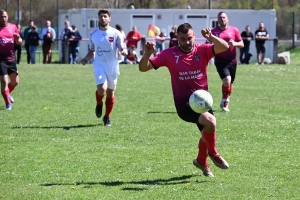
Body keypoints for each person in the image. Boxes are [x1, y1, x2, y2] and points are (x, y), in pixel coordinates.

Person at [138, 23, 230, 177]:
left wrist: (211, 37)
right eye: (182, 39)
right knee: (211, 122)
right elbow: (143, 68)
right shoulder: (169, 54)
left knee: (207, 132)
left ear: (194, 36)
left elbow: (224, 47)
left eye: (189, 38)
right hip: (184, 104)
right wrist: (147, 54)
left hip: (203, 102)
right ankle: (213, 154)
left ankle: (201, 162)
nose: (186, 42)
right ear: (177, 38)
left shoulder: (203, 50)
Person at [80, 9, 127, 126]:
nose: (103, 18)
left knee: (110, 92)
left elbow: (121, 46)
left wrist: (124, 50)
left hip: (112, 66)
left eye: (105, 16)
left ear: (109, 19)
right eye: (101, 16)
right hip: (99, 64)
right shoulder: (93, 34)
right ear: (98, 18)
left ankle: (107, 117)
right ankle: (99, 103)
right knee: (102, 89)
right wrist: (86, 58)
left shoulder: (116, 33)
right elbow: (92, 50)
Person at [208, 12, 244, 112]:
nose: (222, 19)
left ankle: (226, 98)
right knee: (227, 80)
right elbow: (207, 45)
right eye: (220, 18)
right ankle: (225, 102)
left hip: (232, 61)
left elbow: (242, 44)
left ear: (227, 19)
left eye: (224, 17)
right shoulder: (213, 32)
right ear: (217, 20)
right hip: (220, 61)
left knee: (229, 83)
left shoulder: (234, 30)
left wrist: (235, 43)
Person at [0, 10, 22, 110]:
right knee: (4, 81)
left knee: (15, 82)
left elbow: (19, 41)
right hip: (1, 60)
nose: (3, 18)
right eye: (1, 17)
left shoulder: (13, 27)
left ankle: (7, 94)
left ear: (7, 17)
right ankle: (8, 104)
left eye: (5, 16)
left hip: (11, 59)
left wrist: (17, 39)